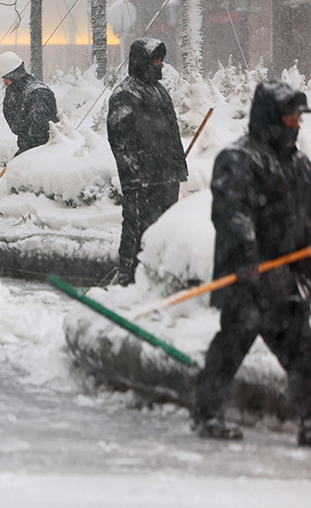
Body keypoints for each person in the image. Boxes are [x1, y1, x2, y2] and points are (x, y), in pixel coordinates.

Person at [192, 80, 311, 445]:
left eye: (298, 117)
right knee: (231, 347)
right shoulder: (239, 158)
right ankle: (208, 414)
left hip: (285, 278)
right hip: (248, 278)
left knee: (302, 351)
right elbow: (232, 214)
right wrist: (248, 259)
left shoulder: (299, 164)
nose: (297, 124)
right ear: (273, 118)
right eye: (291, 117)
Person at [107, 38, 187, 286]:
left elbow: (170, 131)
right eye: (155, 59)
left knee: (163, 230)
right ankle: (128, 279)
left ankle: (155, 278)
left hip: (167, 176)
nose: (159, 64)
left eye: (160, 60)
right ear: (142, 61)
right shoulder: (125, 93)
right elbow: (119, 140)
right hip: (142, 181)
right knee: (136, 230)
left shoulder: (158, 90)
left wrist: (177, 166)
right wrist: (134, 176)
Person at [0, 51, 58, 156]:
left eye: (6, 77)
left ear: (15, 75)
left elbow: (41, 130)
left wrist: (26, 150)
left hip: (43, 152)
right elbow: (12, 119)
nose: (4, 81)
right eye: (3, 77)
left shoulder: (39, 93)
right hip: (26, 148)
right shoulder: (12, 91)